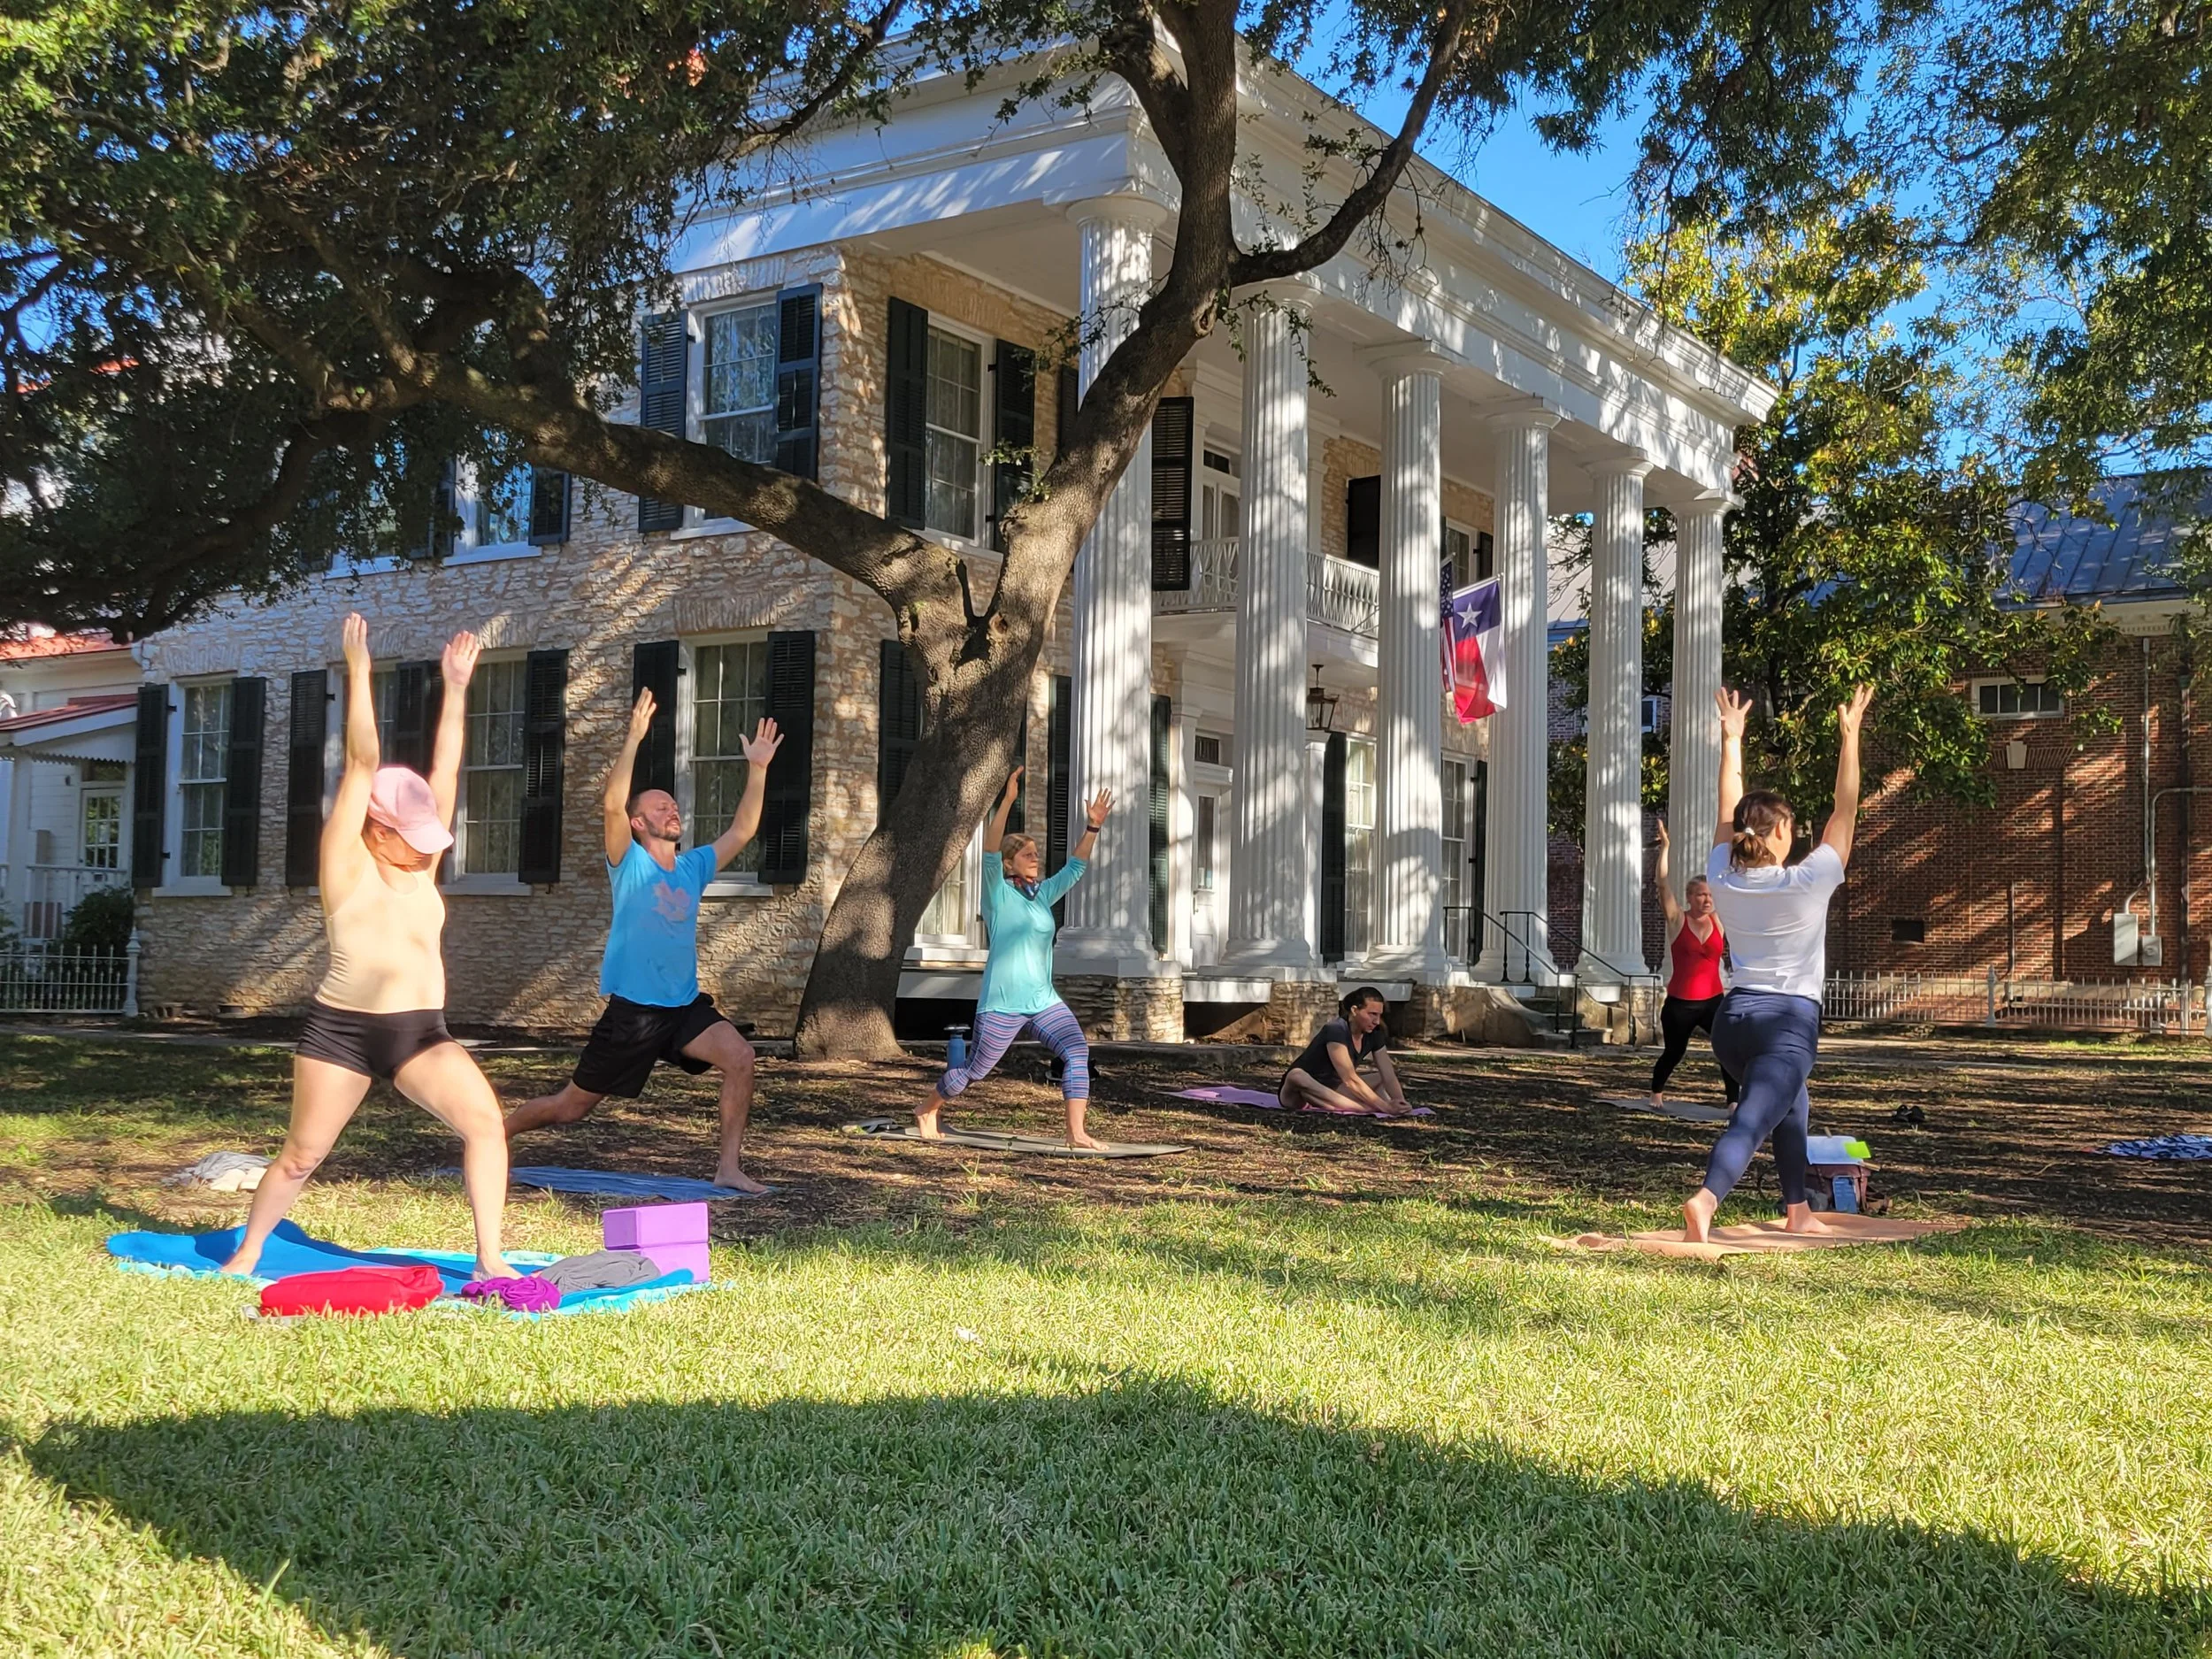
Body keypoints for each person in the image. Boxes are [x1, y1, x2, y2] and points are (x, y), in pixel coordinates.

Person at [221, 613, 518, 1279]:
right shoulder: (344, 866)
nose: (425, 845)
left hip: (420, 1034)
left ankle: (491, 1258)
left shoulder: (422, 861)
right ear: (377, 828)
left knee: (485, 1124)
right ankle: (247, 1253)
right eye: (411, 834)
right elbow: (361, 761)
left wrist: (457, 686)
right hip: (342, 1034)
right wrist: (358, 670)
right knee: (302, 1153)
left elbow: (448, 762)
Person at [503, 686, 781, 1193]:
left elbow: (741, 831)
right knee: (572, 1107)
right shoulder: (628, 862)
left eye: (673, 805)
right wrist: (633, 738)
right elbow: (611, 803)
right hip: (633, 1012)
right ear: (638, 823)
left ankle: (728, 1167)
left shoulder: (693, 866)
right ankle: (495, 1136)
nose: (671, 810)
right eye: (659, 807)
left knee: (741, 1057)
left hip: (683, 1008)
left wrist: (758, 769)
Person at [1682, 683, 1873, 1244]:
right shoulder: (1809, 880)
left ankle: (1798, 1210)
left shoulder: (1722, 873)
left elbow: (1726, 805)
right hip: (1787, 1023)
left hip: (1732, 1023)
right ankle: (1705, 1200)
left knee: (1793, 1104)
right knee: (1752, 1118)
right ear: (1784, 833)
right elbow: (1847, 806)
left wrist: (1731, 738)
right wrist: (1850, 736)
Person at [919, 767, 1111, 1148]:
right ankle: (928, 1109)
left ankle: (1076, 1133)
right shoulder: (997, 894)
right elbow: (990, 850)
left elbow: (1074, 869)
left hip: (1043, 1000)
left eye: (1037, 854)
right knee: (975, 1070)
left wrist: (1092, 828)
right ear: (1010, 864)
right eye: (1028, 855)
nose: (1035, 859)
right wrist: (1007, 801)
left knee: (1076, 1051)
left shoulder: (1041, 895)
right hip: (1003, 1003)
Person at [1648, 817, 1739, 1110]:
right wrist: (1665, 848)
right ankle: (1656, 1095)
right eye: (1701, 895)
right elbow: (1662, 885)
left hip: (1712, 1001)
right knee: (1674, 1052)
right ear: (1690, 897)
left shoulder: (1719, 920)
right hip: (1679, 1004)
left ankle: (1733, 1102)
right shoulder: (1678, 920)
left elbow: (1734, 882)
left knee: (1728, 1050)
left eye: (1710, 895)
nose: (1707, 899)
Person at [1279, 987, 1418, 1116]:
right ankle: (1366, 1108)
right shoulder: (1336, 1030)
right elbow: (1350, 1079)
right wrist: (1384, 1107)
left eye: (1379, 1015)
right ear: (1354, 1010)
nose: (1376, 1021)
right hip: (1299, 1094)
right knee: (1296, 1075)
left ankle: (1367, 1105)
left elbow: (1388, 1075)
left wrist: (1401, 1103)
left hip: (1334, 1091)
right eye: (1372, 1014)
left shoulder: (1374, 1034)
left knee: (1380, 1077)